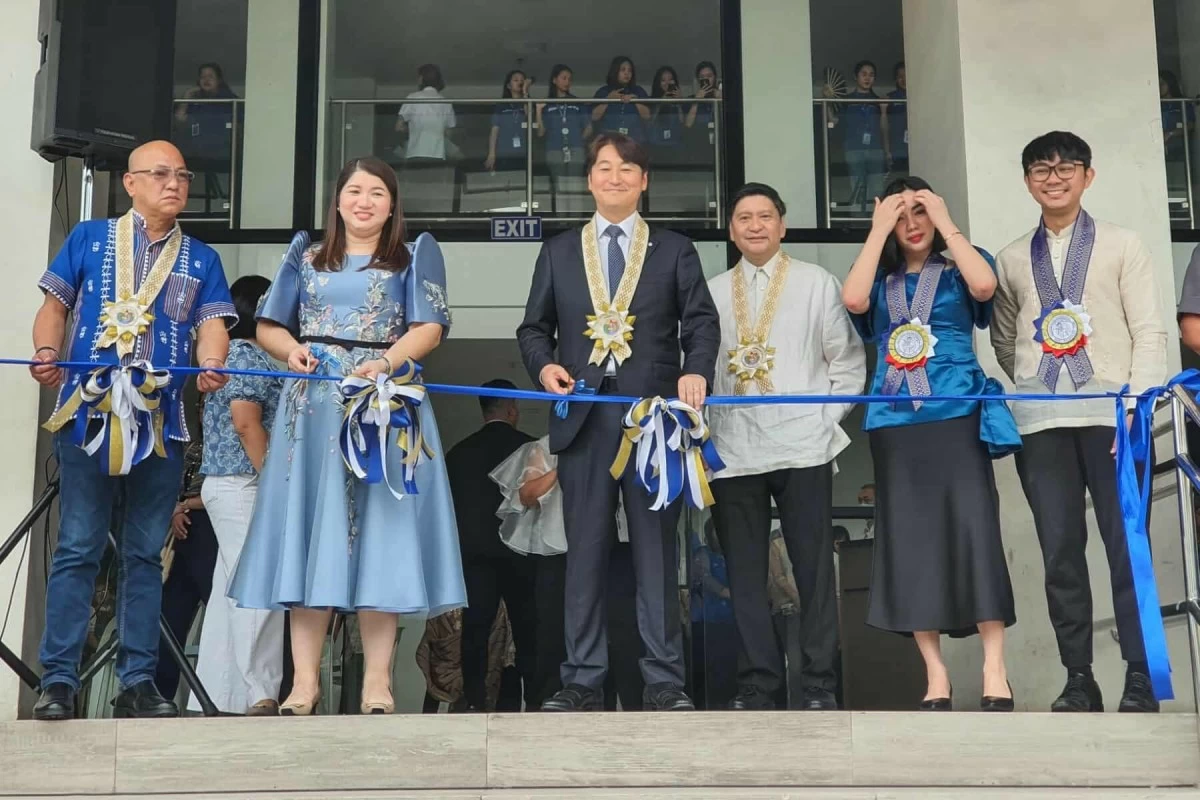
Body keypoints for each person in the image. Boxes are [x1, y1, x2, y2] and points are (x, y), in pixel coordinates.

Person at [227, 155, 466, 716]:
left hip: (385, 404)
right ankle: (303, 684)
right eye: (355, 191)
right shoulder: (304, 257)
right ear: (337, 201)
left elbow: (429, 326)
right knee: (312, 537)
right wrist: (291, 351)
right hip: (311, 410)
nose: (365, 201)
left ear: (392, 204)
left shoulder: (413, 257)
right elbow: (267, 324)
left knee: (382, 533)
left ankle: (377, 683)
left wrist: (385, 362)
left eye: (377, 192)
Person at [30, 140, 234, 721]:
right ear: (131, 182)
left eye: (184, 176)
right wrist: (47, 350)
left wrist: (213, 364)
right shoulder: (89, 238)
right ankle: (59, 680)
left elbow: (212, 323)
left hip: (161, 423)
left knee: (145, 554)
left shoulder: (201, 258)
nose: (175, 184)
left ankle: (138, 682)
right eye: (162, 174)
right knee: (77, 547)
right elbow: (55, 306)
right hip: (87, 416)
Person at [517, 133, 721, 711]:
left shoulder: (674, 249)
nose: (614, 177)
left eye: (626, 169)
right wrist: (546, 365)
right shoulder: (559, 250)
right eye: (604, 168)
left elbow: (700, 324)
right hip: (583, 417)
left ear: (643, 181)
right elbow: (533, 328)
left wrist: (696, 372)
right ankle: (581, 679)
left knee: (656, 553)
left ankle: (664, 681)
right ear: (589, 180)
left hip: (652, 419)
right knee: (584, 552)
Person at [991, 131, 1167, 713]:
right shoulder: (1014, 256)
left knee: (1126, 546)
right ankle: (1078, 677)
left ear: (1088, 176)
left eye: (1067, 167)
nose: (1054, 177)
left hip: (1114, 416)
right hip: (1042, 421)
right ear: (1027, 180)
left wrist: (1136, 406)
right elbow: (1004, 335)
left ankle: (1139, 675)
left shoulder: (1122, 244)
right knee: (1060, 551)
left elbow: (1149, 331)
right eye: (1041, 168)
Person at [842, 175, 1019, 712]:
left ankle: (994, 667)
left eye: (920, 213)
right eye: (902, 216)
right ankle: (936, 674)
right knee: (911, 542)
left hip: (958, 413)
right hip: (895, 422)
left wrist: (946, 221)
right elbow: (852, 299)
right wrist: (876, 230)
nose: (912, 225)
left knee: (974, 531)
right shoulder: (880, 274)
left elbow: (985, 288)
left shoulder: (961, 261)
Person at [706, 183, 865, 711]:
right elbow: (699, 372)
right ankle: (759, 684)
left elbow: (846, 362)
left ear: (782, 225)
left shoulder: (816, 283)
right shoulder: (709, 291)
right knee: (745, 575)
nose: (755, 225)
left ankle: (820, 683)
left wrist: (824, 422)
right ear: (731, 228)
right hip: (734, 450)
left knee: (814, 570)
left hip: (804, 447)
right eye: (744, 217)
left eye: (765, 216)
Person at [189, 276, 285, 716]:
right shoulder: (247, 355)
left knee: (230, 589)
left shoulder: (234, 353)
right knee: (256, 584)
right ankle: (259, 692)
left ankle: (215, 695)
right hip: (246, 482)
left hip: (228, 484)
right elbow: (247, 423)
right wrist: (276, 483)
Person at [445, 379, 538, 711]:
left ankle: (473, 699)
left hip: (474, 555)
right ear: (512, 410)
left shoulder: (458, 452)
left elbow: (449, 510)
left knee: (475, 629)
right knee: (528, 627)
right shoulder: (530, 448)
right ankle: (536, 697)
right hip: (521, 553)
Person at [155, 422, 218, 704]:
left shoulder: (229, 444)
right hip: (185, 533)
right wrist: (175, 509)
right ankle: (158, 692)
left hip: (213, 529)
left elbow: (236, 488)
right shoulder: (195, 447)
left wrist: (185, 506)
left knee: (218, 611)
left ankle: (218, 694)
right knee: (170, 613)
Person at [826, 60, 888, 216]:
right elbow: (833, 121)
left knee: (877, 191)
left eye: (871, 75)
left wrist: (884, 110)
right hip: (853, 149)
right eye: (864, 74)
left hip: (875, 149)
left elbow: (884, 128)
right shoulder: (847, 100)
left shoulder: (878, 101)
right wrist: (826, 101)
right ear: (856, 77)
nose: (868, 78)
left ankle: (877, 225)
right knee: (857, 188)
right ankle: (858, 224)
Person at [536, 64, 592, 184]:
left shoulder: (577, 102)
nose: (567, 82)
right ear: (554, 80)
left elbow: (588, 128)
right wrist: (538, 111)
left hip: (576, 149)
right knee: (559, 186)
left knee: (575, 185)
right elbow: (541, 133)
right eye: (564, 78)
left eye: (569, 79)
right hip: (554, 149)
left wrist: (577, 140)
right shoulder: (547, 104)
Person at [396, 64, 456, 163]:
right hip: (438, 154)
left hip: (415, 152)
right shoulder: (446, 102)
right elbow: (449, 132)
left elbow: (398, 127)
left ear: (421, 79)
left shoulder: (413, 97)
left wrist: (412, 129)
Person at [592, 57, 651, 143]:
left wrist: (635, 101)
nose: (627, 73)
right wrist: (608, 99)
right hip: (609, 141)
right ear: (615, 71)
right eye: (623, 70)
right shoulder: (604, 91)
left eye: (630, 70)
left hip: (634, 140)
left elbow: (647, 116)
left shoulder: (638, 91)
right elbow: (594, 117)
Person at [485, 71, 532, 172]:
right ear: (508, 85)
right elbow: (495, 130)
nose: (519, 82)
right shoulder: (501, 105)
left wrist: (525, 92)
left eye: (522, 80)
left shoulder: (527, 102)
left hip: (523, 153)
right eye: (516, 80)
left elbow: (530, 117)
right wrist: (492, 154)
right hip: (504, 152)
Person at [648, 66, 686, 166]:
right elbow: (649, 122)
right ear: (658, 83)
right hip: (656, 146)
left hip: (676, 146)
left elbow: (683, 122)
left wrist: (680, 101)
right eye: (663, 80)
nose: (667, 83)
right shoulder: (651, 100)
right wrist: (661, 102)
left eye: (671, 80)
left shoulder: (680, 100)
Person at [885, 62, 908, 176]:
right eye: (900, 77)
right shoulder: (890, 98)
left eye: (906, 75)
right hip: (897, 150)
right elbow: (885, 127)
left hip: (919, 148)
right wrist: (887, 150)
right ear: (895, 79)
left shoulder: (920, 95)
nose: (903, 79)